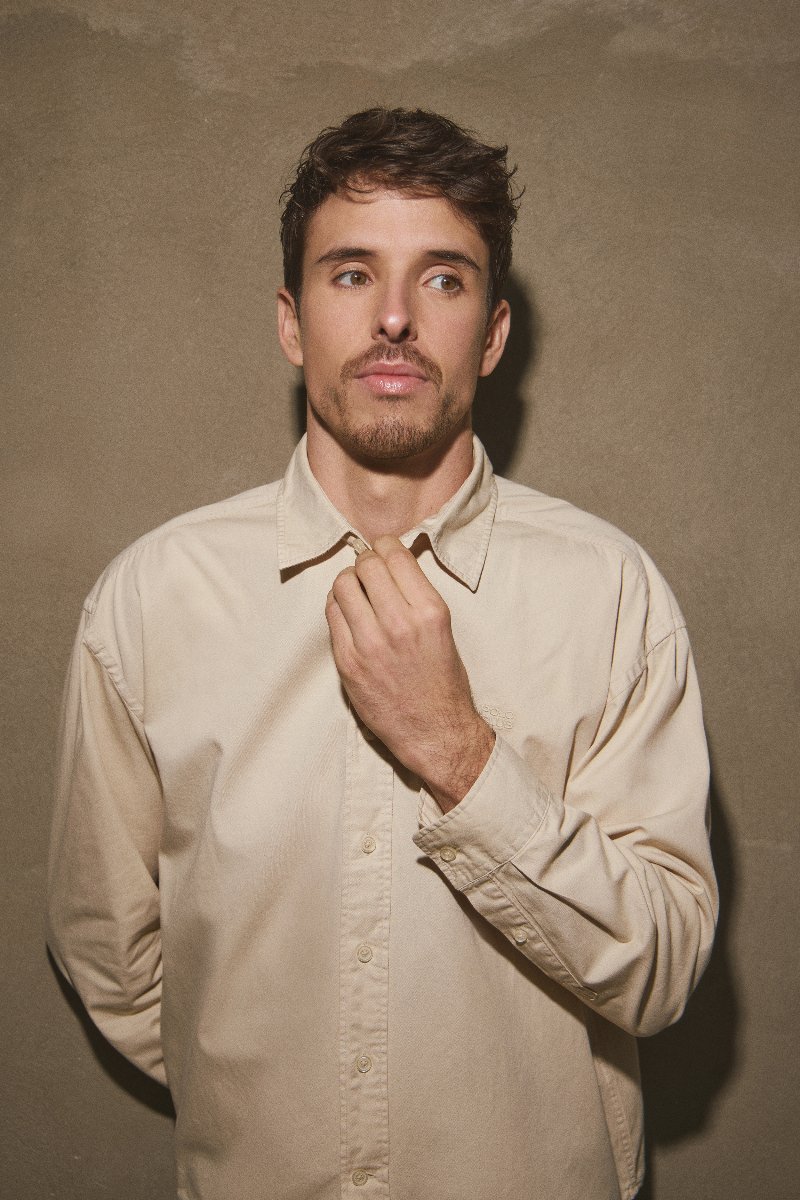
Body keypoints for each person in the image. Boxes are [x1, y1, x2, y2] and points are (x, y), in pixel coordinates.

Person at [47, 107, 717, 1200]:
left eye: (443, 279)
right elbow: (109, 953)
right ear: (291, 322)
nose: (395, 317)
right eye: (352, 274)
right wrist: (261, 1106)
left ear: (491, 336)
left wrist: (458, 753)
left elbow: (664, 966)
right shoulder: (151, 601)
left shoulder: (611, 597)